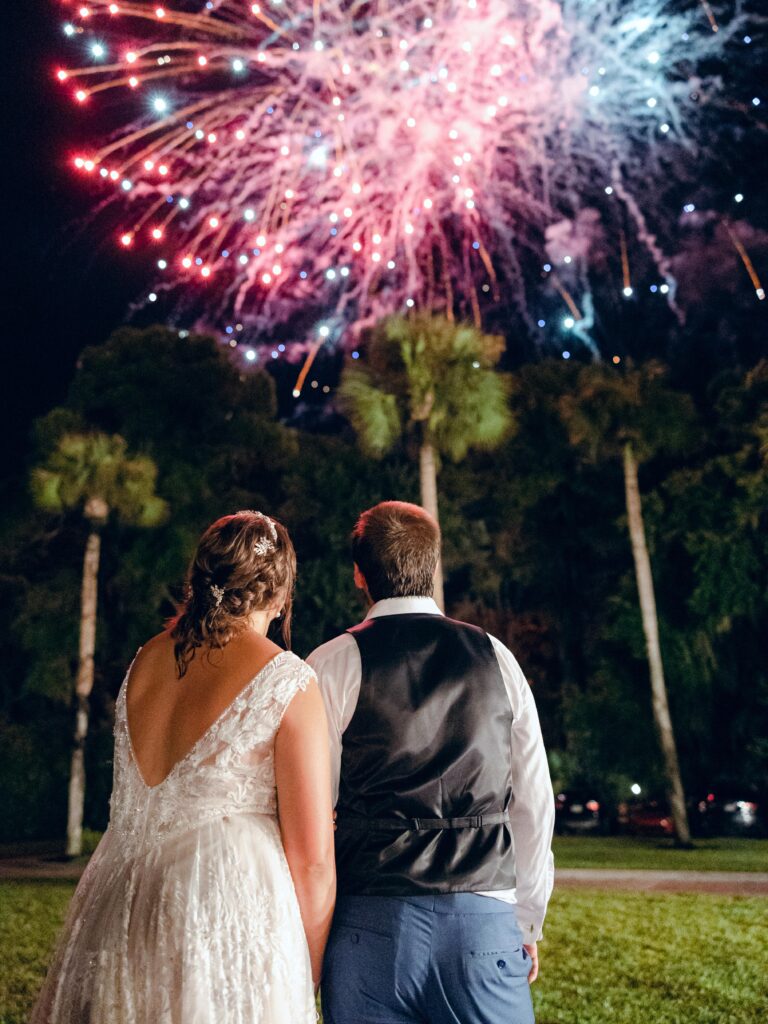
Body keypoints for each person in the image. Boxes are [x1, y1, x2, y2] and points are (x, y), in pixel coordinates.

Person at [32, 510, 335, 1024]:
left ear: (202, 580)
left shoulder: (144, 661)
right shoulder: (287, 680)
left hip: (118, 907)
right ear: (281, 595)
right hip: (219, 919)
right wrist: (304, 971)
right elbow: (311, 861)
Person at [308, 500, 554, 1024]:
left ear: (359, 574)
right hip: (483, 921)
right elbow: (533, 801)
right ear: (432, 567)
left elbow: (309, 811)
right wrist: (526, 920)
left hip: (368, 923)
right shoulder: (497, 657)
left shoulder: (329, 666)